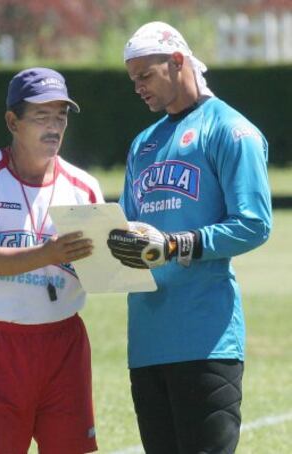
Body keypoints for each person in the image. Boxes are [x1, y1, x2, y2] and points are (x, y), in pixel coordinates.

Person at [107, 22, 272, 453]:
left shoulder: (232, 130)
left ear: (177, 61)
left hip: (206, 338)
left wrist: (176, 244)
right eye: (132, 80)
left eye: (145, 75)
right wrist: (91, 248)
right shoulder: (143, 143)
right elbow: (128, 231)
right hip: (146, 341)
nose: (137, 87)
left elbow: (254, 223)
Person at [0, 67, 104, 454]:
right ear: (12, 121)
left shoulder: (85, 186)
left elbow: (103, 269)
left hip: (63, 344)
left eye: (61, 116)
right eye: (41, 116)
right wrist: (49, 253)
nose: (54, 127)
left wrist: (129, 251)